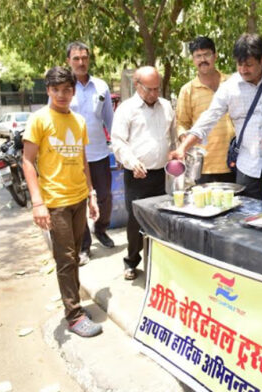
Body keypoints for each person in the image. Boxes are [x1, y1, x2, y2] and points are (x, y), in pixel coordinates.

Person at [22, 66, 102, 338]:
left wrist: (91, 194)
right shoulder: (39, 120)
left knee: (76, 253)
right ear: (48, 90)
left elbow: (82, 160)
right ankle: (74, 315)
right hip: (55, 201)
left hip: (79, 197)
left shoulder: (78, 121)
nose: (62, 95)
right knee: (65, 258)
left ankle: (75, 305)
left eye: (67, 89)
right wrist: (37, 202)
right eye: (56, 89)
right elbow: (27, 161)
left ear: (73, 91)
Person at [169, 33, 262, 202]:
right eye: (239, 65)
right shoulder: (229, 88)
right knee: (249, 217)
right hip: (247, 166)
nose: (243, 70)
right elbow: (208, 120)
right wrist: (182, 148)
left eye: (249, 65)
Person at [111, 66, 176, 281]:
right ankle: (131, 260)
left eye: (157, 88)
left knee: (159, 219)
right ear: (137, 86)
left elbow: (172, 137)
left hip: (161, 174)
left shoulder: (166, 106)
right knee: (135, 220)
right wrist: (131, 161)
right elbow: (118, 142)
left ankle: (157, 262)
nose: (154, 94)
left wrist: (176, 154)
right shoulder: (126, 109)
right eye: (149, 89)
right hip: (137, 176)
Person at [66, 41, 116, 266]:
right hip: (72, 156)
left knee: (105, 197)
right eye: (76, 58)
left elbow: (110, 120)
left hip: (98, 153)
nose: (81, 62)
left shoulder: (101, 86)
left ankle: (101, 229)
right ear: (69, 61)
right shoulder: (64, 87)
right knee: (79, 202)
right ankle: (84, 245)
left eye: (84, 58)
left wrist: (118, 146)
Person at [176, 36, 236, 184]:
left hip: (235, 161)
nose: (203, 59)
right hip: (203, 166)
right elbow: (181, 123)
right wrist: (185, 139)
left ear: (215, 56)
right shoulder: (187, 90)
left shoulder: (232, 83)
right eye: (198, 56)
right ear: (193, 60)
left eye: (207, 54)